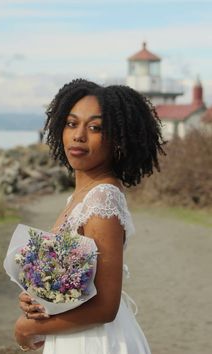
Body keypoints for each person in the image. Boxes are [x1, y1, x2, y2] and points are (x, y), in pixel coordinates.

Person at [14, 78, 165, 353]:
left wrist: (28, 328)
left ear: (118, 139)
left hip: (94, 341)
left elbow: (106, 306)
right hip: (76, 335)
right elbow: (74, 281)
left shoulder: (103, 197)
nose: (78, 135)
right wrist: (36, 298)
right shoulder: (80, 196)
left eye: (95, 128)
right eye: (71, 123)